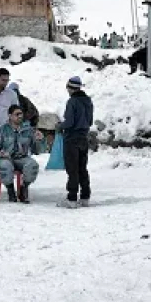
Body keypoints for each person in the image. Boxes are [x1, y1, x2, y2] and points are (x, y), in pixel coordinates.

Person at [0, 104, 42, 203]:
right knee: (5, 166)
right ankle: (10, 190)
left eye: (21, 114)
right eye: (17, 114)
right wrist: (0, 153)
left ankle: (23, 188)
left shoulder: (28, 130)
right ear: (10, 116)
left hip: (21, 158)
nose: (20, 116)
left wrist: (38, 140)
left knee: (32, 165)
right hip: (5, 158)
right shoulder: (2, 130)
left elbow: (36, 150)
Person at [57, 76, 94, 209]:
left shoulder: (72, 102)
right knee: (82, 168)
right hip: (84, 138)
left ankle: (72, 198)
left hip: (71, 138)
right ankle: (85, 197)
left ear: (69, 88)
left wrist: (60, 126)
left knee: (72, 169)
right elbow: (90, 121)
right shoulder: (88, 101)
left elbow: (69, 122)